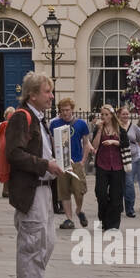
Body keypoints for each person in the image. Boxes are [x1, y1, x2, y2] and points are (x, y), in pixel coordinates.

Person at [5, 72, 63, 278]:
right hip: (31, 190)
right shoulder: (22, 117)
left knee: (47, 242)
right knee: (32, 244)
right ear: (33, 94)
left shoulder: (40, 119)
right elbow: (14, 153)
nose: (51, 96)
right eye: (47, 92)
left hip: (45, 189)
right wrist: (44, 165)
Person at [49, 97, 91, 229]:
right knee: (64, 192)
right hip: (62, 162)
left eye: (67, 110)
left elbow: (86, 143)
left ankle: (78, 210)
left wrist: (83, 160)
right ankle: (69, 219)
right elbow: (52, 143)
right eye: (62, 110)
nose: (65, 113)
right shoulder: (55, 124)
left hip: (76, 161)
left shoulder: (81, 124)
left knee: (79, 191)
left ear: (72, 109)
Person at [91, 105, 129, 234]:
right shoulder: (99, 128)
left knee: (116, 196)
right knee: (100, 193)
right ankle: (103, 219)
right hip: (102, 164)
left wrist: (114, 142)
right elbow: (94, 146)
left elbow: (126, 143)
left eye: (106, 114)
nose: (104, 117)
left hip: (117, 166)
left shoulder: (119, 129)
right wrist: (100, 130)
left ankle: (113, 224)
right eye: (102, 114)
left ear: (112, 115)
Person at [116, 107, 139, 218]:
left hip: (132, 158)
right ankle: (119, 206)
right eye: (123, 114)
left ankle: (130, 208)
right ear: (119, 115)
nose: (125, 116)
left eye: (127, 114)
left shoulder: (134, 127)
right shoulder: (115, 127)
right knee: (119, 183)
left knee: (129, 183)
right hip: (118, 157)